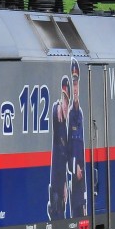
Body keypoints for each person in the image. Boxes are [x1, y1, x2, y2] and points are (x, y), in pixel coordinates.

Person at [48, 75, 70, 220]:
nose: (65, 106)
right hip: (55, 187)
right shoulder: (58, 118)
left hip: (60, 186)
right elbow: (56, 113)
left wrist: (65, 186)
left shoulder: (67, 129)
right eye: (64, 101)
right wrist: (58, 107)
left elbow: (65, 162)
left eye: (67, 103)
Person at [68, 60, 87, 217]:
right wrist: (75, 168)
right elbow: (68, 148)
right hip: (75, 177)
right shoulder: (70, 115)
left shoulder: (79, 113)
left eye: (77, 84)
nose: (75, 88)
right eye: (73, 84)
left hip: (83, 176)